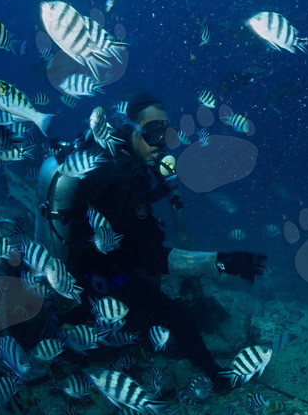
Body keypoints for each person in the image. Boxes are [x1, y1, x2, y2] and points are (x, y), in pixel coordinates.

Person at [64, 92, 265, 391]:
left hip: (89, 273)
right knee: (179, 317)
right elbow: (153, 257)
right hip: (100, 285)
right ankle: (217, 378)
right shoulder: (125, 177)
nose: (160, 143)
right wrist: (221, 262)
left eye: (165, 133)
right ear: (132, 130)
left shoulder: (109, 156)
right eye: (153, 132)